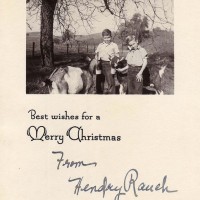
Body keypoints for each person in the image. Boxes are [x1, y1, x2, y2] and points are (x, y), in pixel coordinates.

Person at [95, 29, 119, 94]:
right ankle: (100, 94)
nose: (107, 39)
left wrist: (114, 61)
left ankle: (111, 95)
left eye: (108, 37)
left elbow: (117, 55)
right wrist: (97, 60)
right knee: (99, 81)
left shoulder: (114, 45)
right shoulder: (100, 45)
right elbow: (97, 53)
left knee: (110, 81)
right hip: (100, 64)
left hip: (109, 64)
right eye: (105, 38)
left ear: (111, 37)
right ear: (103, 38)